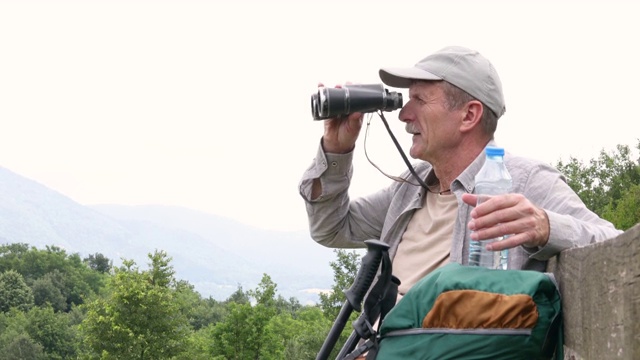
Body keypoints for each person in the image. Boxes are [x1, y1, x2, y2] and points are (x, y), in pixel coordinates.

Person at [298, 45, 622, 299]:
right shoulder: (411, 187)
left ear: (469, 115)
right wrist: (337, 149)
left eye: (420, 100)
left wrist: (545, 226)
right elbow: (331, 229)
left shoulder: (523, 181)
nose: (404, 115)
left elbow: (614, 243)